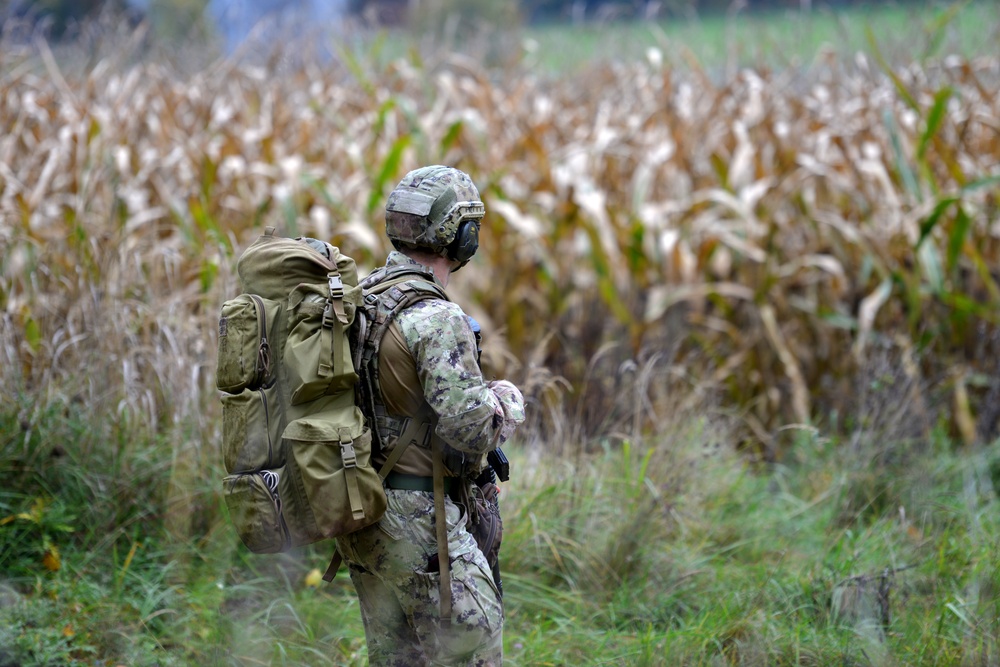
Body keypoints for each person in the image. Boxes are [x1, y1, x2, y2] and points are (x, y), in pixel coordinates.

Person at [334, 165, 525, 666]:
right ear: (460, 237)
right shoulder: (436, 317)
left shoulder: (364, 298)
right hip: (420, 525)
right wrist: (505, 400)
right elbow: (469, 428)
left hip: (363, 513)